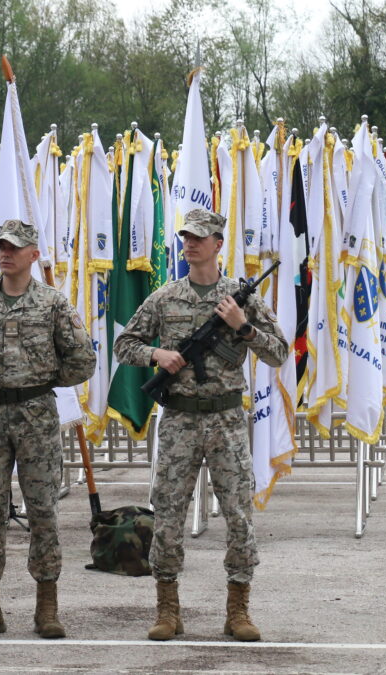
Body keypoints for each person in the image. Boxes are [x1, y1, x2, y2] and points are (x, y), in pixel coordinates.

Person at [113, 209, 287, 642]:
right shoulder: (165, 297)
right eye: (186, 237)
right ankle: (168, 609)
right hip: (180, 419)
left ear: (218, 244)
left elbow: (280, 352)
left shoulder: (240, 299)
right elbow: (123, 344)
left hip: (227, 418)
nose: (191, 244)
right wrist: (157, 356)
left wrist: (242, 328)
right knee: (169, 515)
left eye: (200, 237)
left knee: (239, 517)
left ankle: (238, 610)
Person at [0, 219, 95, 641]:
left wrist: (42, 380)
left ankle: (46, 607)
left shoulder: (52, 304)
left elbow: (83, 360)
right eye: (1, 247)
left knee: (43, 511)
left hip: (36, 417)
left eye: (15, 247)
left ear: (33, 254)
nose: (6, 253)